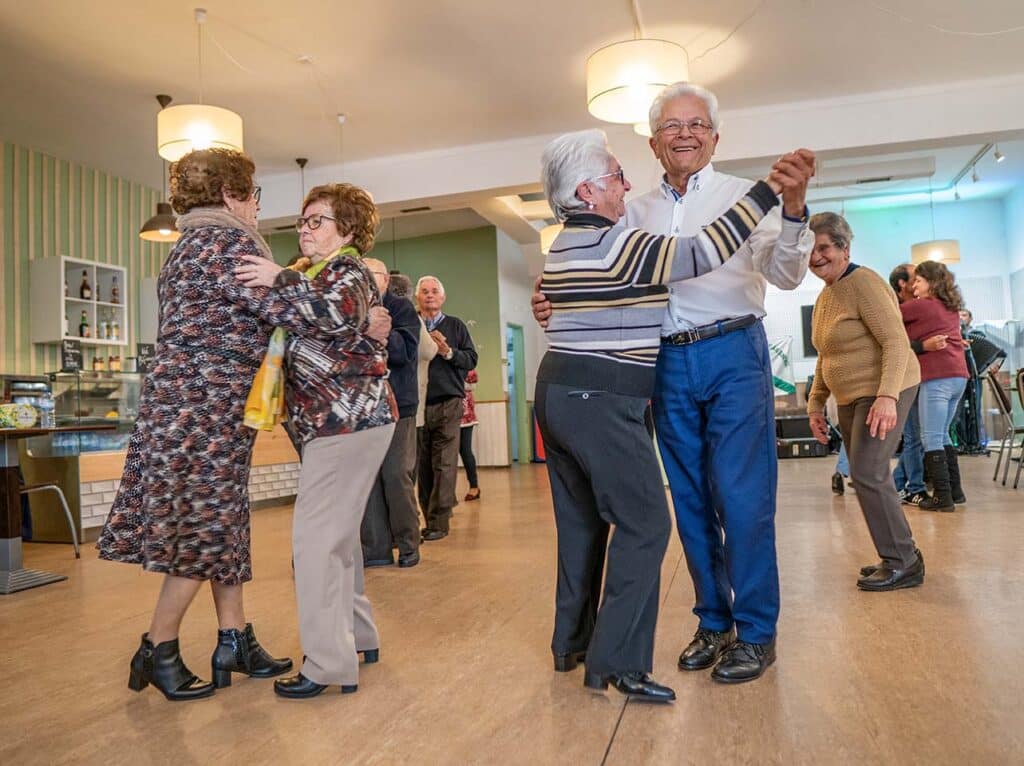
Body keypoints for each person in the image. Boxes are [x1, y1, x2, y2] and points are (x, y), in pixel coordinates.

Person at [532, 82, 815, 683]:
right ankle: (713, 621)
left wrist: (790, 210)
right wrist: (551, 299)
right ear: (655, 143)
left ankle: (756, 632)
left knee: (742, 497)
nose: (685, 132)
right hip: (661, 362)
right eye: (671, 126)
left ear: (714, 136)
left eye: (697, 124)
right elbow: (589, 269)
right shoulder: (628, 207)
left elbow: (788, 276)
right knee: (686, 499)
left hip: (735, 350)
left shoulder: (746, 196)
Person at [97, 148, 343, 701]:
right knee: (202, 525)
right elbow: (287, 313)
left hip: (190, 404)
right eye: (255, 196)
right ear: (233, 196)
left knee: (221, 518)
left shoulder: (190, 243)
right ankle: (157, 648)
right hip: (203, 409)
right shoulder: (229, 243)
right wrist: (327, 294)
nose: (256, 208)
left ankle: (233, 638)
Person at [235, 183, 397, 699]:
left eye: (318, 221)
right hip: (344, 423)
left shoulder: (344, 271)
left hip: (345, 424)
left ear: (347, 229)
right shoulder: (314, 275)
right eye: (303, 222)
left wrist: (278, 278)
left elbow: (336, 313)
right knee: (338, 539)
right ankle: (360, 638)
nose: (306, 230)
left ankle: (328, 664)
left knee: (313, 545)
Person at [806, 213, 924, 592]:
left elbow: (895, 342)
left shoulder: (864, 282)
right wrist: (814, 403)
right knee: (864, 474)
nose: (816, 256)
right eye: (810, 249)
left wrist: (888, 396)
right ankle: (899, 556)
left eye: (824, 247)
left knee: (870, 472)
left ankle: (903, 561)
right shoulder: (826, 296)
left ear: (844, 248)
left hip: (886, 388)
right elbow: (826, 355)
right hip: (853, 395)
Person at [360, 258, 423, 569]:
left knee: (396, 474)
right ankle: (376, 549)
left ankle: (409, 542)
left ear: (384, 280)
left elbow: (404, 352)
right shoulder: (354, 308)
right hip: (363, 407)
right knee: (368, 478)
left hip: (399, 403)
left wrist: (379, 332)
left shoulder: (401, 308)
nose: (365, 281)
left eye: (370, 276)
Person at [902, 261, 970, 512]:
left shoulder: (919, 306)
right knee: (942, 434)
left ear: (931, 282)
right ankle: (956, 491)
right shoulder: (951, 308)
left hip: (936, 377)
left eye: (918, 280)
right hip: (959, 376)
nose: (914, 285)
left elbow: (888, 319)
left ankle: (942, 497)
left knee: (930, 437)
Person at [415, 276, 478, 541]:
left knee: (445, 463)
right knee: (423, 466)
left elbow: (472, 359)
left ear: (442, 298)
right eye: (425, 292)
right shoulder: (411, 325)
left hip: (448, 402)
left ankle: (439, 523)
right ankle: (430, 518)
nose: (430, 295)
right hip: (418, 406)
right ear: (417, 297)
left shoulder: (455, 326)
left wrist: (448, 352)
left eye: (434, 292)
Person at [888, 263, 928, 505]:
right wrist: (925, 345)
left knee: (920, 438)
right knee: (914, 437)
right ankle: (915, 488)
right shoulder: (894, 309)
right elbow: (895, 344)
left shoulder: (914, 308)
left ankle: (897, 483)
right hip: (903, 380)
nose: (918, 281)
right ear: (903, 283)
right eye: (915, 277)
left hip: (920, 378)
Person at [460, 369, 481, 501]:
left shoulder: (466, 363)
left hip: (465, 413)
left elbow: (472, 383)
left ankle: (474, 486)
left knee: (465, 450)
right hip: (445, 412)